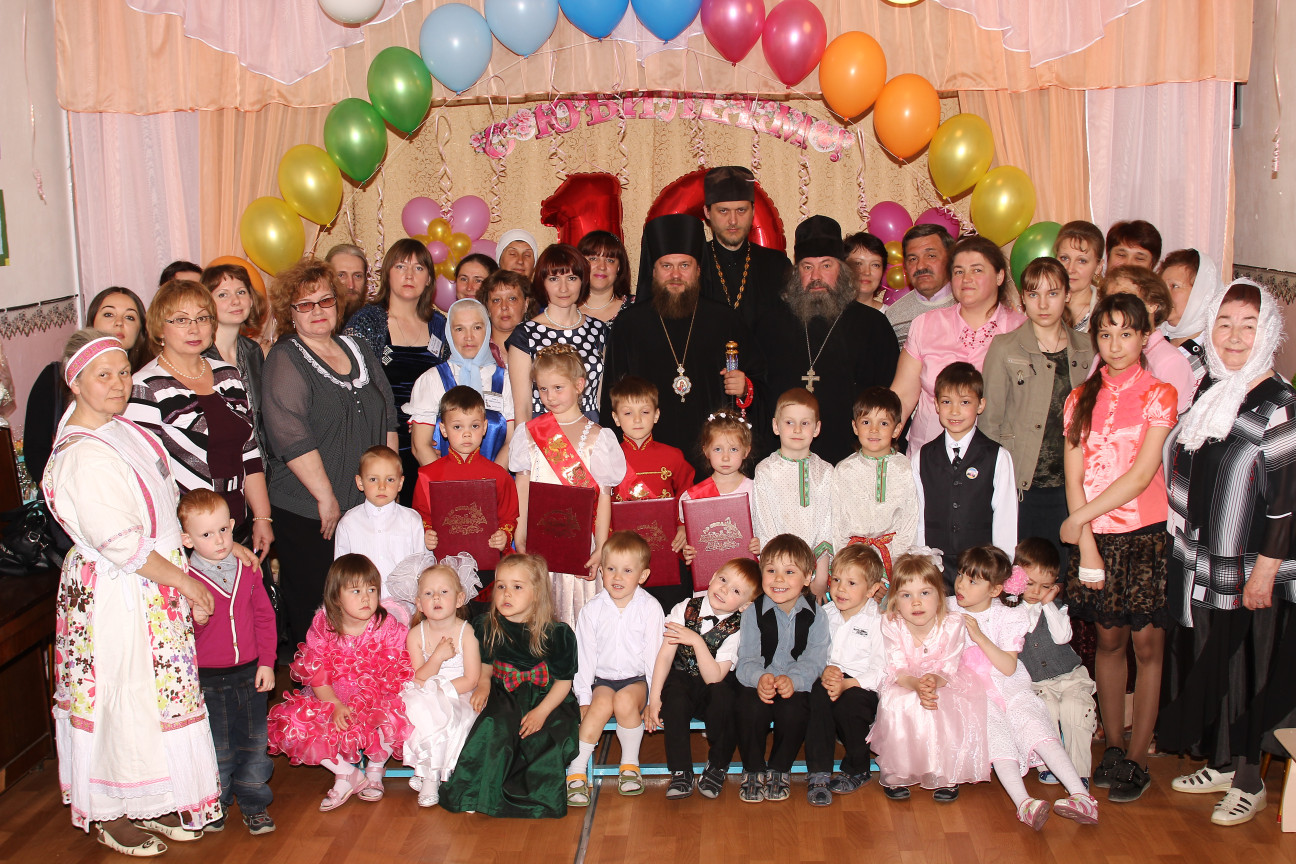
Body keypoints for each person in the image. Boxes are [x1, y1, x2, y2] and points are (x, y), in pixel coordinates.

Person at [43, 329, 235, 854]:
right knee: (119, 696)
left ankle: (152, 797)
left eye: (124, 371)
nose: (118, 383)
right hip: (118, 594)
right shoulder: (83, 455)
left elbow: (168, 506)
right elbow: (122, 544)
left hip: (151, 585)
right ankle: (111, 809)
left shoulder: (122, 429)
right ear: (75, 383)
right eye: (102, 375)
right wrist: (187, 582)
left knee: (152, 699)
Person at [1157, 279, 1296, 827]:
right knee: (1220, 664)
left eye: (1249, 326)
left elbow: (1287, 505)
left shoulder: (1280, 405)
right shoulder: (1213, 388)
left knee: (1255, 668)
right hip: (1208, 559)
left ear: (1268, 334)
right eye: (1225, 323)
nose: (1234, 336)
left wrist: (1264, 573)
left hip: (1255, 566)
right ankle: (1221, 762)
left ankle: (1249, 781)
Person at [1060, 292, 1177, 803]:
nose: (1115, 344)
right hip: (1096, 539)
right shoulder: (1078, 397)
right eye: (1105, 334)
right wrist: (1086, 542)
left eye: (1126, 333)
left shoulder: (1160, 394)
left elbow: (1141, 475)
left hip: (1144, 536)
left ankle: (1138, 756)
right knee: (1108, 644)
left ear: (1144, 337)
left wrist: (1076, 520)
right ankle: (1111, 746)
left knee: (1147, 648)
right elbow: (1074, 476)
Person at [262, 257, 399, 648]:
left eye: (325, 301)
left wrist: (388, 485)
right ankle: (315, 685)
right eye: (305, 305)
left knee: (367, 604)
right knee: (318, 611)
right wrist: (326, 497)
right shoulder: (285, 357)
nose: (317, 311)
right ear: (290, 313)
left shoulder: (358, 348)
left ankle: (363, 680)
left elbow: (388, 417)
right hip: (309, 510)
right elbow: (291, 435)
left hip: (364, 505)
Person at [601, 213, 763, 479]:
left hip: (716, 459)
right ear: (653, 271)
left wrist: (745, 386)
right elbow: (612, 397)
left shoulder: (726, 320)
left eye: (684, 265)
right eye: (666, 266)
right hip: (647, 464)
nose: (675, 275)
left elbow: (759, 378)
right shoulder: (629, 324)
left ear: (698, 270)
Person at [126, 279, 274, 561]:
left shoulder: (228, 374)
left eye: (203, 318)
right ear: (159, 328)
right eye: (181, 320)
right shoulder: (144, 386)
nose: (194, 328)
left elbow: (249, 451)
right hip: (186, 536)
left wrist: (262, 517)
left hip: (237, 522)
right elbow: (146, 477)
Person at [954, 547, 1098, 829]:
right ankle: (1024, 803)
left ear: (995, 590)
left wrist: (979, 636)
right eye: (960, 575)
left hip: (1010, 686)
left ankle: (1081, 796)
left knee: (1036, 727)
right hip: (975, 693)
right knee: (997, 739)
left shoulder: (1009, 615)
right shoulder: (949, 608)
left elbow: (1008, 667)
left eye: (972, 581)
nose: (960, 585)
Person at [439, 553, 581, 818]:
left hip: (547, 698)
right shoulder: (487, 625)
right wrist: (483, 684)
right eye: (501, 586)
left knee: (545, 737)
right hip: (504, 692)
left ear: (536, 594)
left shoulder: (557, 633)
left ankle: (537, 799)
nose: (506, 593)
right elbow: (486, 664)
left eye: (517, 587)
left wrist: (541, 712)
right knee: (494, 727)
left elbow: (564, 682)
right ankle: (478, 795)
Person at [266, 554, 412, 811]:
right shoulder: (323, 626)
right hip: (331, 697)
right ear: (335, 597)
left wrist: (368, 704)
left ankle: (375, 770)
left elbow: (395, 673)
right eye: (356, 591)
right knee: (290, 721)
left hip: (375, 698)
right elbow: (316, 670)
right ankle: (346, 773)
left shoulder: (387, 626)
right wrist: (333, 704)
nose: (366, 598)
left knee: (400, 715)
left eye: (372, 590)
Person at [753, 215, 900, 464]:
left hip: (853, 458)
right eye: (807, 267)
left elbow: (887, 401)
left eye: (826, 265)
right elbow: (758, 396)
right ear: (796, 273)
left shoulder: (873, 325)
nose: (816, 276)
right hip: (784, 459)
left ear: (842, 270)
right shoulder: (770, 324)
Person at [982, 257, 1096, 572]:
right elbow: (989, 423)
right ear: (1023, 299)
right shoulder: (1005, 348)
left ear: (1068, 295)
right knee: (1020, 573)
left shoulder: (1088, 348)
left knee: (1064, 575)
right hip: (1021, 485)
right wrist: (993, 486)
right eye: (1034, 294)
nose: (1043, 304)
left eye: (1053, 293)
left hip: (1074, 486)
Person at [179, 489, 277, 836]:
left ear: (233, 525)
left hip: (250, 673)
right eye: (207, 534)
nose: (219, 540)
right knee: (217, 749)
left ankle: (254, 804)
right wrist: (196, 622)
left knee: (254, 745)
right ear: (187, 540)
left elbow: (264, 617)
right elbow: (180, 638)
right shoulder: (185, 580)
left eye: (223, 530)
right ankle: (215, 803)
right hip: (209, 680)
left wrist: (267, 662)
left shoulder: (247, 569)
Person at [510, 345, 627, 624]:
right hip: (540, 540)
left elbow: (604, 498)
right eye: (543, 389)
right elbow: (522, 489)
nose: (550, 396)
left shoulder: (599, 438)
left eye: (558, 388)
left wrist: (601, 547)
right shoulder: (528, 434)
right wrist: (520, 533)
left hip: (581, 543)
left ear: (579, 385)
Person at [867, 551, 989, 802]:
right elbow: (896, 667)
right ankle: (899, 772)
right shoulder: (892, 623)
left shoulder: (952, 623)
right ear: (895, 599)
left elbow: (950, 665)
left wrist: (933, 681)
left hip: (943, 679)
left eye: (925, 593)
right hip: (905, 680)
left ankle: (944, 773)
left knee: (943, 703)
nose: (916, 603)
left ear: (940, 595)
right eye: (906, 595)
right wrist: (915, 684)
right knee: (897, 701)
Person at [892, 235, 1027, 449]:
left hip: (994, 453)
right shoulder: (926, 324)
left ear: (999, 276)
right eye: (958, 271)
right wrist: (882, 436)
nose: (966, 279)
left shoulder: (1021, 329)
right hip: (928, 453)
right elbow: (903, 395)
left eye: (977, 270)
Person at [344, 238, 451, 499]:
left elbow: (452, 386)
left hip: (429, 444)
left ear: (429, 278)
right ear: (387, 274)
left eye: (418, 268)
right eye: (401, 266)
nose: (409, 275)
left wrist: (440, 428)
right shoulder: (366, 321)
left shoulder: (440, 325)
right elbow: (351, 390)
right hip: (379, 442)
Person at [647, 558, 761, 800]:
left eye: (736, 591)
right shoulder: (685, 607)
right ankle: (681, 771)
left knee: (727, 698)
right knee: (675, 696)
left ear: (745, 605)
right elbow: (665, 656)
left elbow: (715, 677)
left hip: (714, 685)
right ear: (712, 577)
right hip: (683, 678)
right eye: (723, 580)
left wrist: (697, 642)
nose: (724, 590)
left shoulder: (739, 627)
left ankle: (717, 765)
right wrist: (654, 698)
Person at [565, 532, 665, 805]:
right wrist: (583, 698)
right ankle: (576, 771)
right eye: (611, 569)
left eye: (627, 571)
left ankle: (630, 765)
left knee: (624, 701)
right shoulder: (592, 610)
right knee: (598, 707)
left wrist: (654, 700)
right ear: (601, 571)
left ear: (643, 575)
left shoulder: (650, 608)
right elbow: (584, 657)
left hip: (638, 681)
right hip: (603, 681)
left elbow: (655, 657)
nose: (617, 577)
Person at [734, 535, 830, 804]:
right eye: (771, 571)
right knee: (747, 706)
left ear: (808, 577)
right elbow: (746, 659)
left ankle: (779, 768)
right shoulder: (752, 613)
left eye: (789, 572)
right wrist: (760, 678)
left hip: (795, 682)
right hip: (760, 680)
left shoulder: (817, 615)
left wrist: (793, 680)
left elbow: (815, 660)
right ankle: (753, 768)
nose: (778, 579)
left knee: (795, 709)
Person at [636, 166, 789, 331]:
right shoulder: (689, 267)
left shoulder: (777, 264)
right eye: (723, 211)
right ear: (707, 212)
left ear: (753, 211)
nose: (733, 221)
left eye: (741, 210)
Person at [411, 386, 520, 614]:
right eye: (457, 427)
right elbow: (420, 515)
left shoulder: (498, 475)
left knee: (484, 622)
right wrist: (427, 533)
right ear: (443, 429)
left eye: (474, 426)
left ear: (485, 427)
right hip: (444, 569)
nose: (467, 434)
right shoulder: (428, 475)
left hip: (487, 568)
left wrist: (504, 535)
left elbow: (509, 515)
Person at [25, 286, 151, 484]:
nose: (119, 323)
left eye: (129, 317)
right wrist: (55, 489)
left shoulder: (148, 380)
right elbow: (35, 448)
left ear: (141, 330)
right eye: (108, 314)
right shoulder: (56, 377)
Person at [912, 362, 1017, 590]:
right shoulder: (922, 457)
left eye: (965, 402)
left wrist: (1001, 569)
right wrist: (921, 560)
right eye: (946, 402)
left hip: (980, 568)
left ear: (981, 405)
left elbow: (1005, 518)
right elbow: (918, 515)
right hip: (936, 567)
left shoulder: (998, 457)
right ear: (936, 405)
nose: (955, 411)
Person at [804, 545, 887, 806]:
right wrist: (824, 669)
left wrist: (848, 684)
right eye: (837, 579)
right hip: (829, 679)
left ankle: (857, 767)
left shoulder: (878, 621)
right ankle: (819, 771)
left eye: (851, 583)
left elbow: (882, 669)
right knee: (816, 696)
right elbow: (811, 652)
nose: (840, 589)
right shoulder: (824, 614)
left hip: (861, 686)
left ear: (872, 589)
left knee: (850, 706)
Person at [1014, 538, 1097, 786]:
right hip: (1037, 684)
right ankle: (1051, 764)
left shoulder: (1057, 607)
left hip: (1069, 676)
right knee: (1044, 712)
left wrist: (1048, 605)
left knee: (1075, 710)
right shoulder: (1009, 611)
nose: (1036, 592)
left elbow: (1062, 637)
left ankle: (1078, 772)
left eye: (1045, 586)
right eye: (1029, 583)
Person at [400, 563, 482, 808]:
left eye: (444, 592)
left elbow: (471, 678)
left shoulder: (467, 632)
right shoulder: (415, 635)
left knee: (448, 715)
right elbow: (419, 677)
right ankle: (427, 769)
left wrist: (440, 690)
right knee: (419, 708)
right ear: (419, 603)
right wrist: (436, 657)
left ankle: (430, 777)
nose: (436, 597)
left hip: (459, 692)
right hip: (425, 691)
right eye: (428, 593)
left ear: (459, 599)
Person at [607, 376, 694, 607]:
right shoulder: (608, 458)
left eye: (644, 412)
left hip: (667, 553)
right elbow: (600, 505)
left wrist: (684, 526)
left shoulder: (673, 456)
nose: (637, 420)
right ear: (616, 418)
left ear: (656, 415)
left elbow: (688, 493)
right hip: (624, 558)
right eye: (628, 413)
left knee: (671, 613)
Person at [507, 244, 610, 423]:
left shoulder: (599, 330)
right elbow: (522, 407)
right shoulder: (525, 334)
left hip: (590, 426)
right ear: (542, 282)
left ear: (583, 281)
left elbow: (602, 399)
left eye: (572, 278)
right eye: (554, 279)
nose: (564, 288)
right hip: (543, 428)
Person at [406, 298, 514, 466]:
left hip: (496, 479)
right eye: (459, 329)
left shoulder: (506, 381)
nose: (469, 337)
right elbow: (420, 447)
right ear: (449, 333)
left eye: (477, 327)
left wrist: (491, 479)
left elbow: (512, 442)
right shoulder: (432, 379)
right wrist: (448, 481)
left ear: (487, 329)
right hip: (443, 479)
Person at [751, 388, 833, 596]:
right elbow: (764, 527)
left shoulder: (826, 471)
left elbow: (828, 524)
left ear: (817, 428)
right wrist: (780, 572)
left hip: (815, 574)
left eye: (805, 423)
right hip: (777, 576)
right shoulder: (765, 470)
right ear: (775, 426)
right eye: (789, 422)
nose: (797, 430)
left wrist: (820, 576)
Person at [830, 387, 918, 576]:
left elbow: (909, 522)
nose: (874, 430)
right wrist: (847, 565)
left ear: (897, 429)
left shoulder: (905, 468)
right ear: (855, 427)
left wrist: (894, 567)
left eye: (883, 423)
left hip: (893, 561)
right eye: (866, 422)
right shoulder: (844, 470)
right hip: (852, 561)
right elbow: (837, 526)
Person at [333, 445, 430, 597]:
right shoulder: (348, 523)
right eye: (373, 479)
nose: (382, 486)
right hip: (361, 604)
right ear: (360, 482)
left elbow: (423, 567)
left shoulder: (412, 520)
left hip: (404, 604)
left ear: (400, 483)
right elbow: (341, 573)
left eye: (390, 479)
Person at [1100, 265, 1196, 412]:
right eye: (1110, 301)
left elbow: (1171, 420)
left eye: (1126, 298)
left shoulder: (1171, 362)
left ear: (1152, 304)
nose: (1116, 308)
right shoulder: (1104, 351)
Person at [202, 263, 269, 460]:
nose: (235, 301)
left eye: (241, 292)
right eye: (223, 294)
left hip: (260, 462)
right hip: (216, 462)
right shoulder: (199, 355)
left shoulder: (253, 351)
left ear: (251, 299)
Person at [679, 412, 761, 566]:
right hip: (709, 575)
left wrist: (760, 543)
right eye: (718, 449)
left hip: (746, 572)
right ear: (706, 451)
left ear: (746, 451)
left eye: (733, 449)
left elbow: (765, 531)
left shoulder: (756, 491)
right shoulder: (692, 497)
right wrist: (688, 551)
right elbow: (693, 542)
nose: (725, 457)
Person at [885, 224, 956, 347]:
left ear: (950, 260)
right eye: (913, 259)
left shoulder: (968, 305)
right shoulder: (893, 317)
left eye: (931, 256)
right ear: (905, 267)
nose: (920, 266)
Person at [1158, 248, 1222, 382]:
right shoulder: (1152, 335)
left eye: (1174, 286)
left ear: (1201, 294)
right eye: (1162, 286)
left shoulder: (1214, 357)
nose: (1163, 294)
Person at [1053, 221, 1104, 331]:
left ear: (1098, 267)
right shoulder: (1040, 304)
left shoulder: (1107, 311)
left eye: (1082, 261)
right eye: (1064, 258)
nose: (1070, 269)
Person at [477, 269, 532, 367]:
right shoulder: (475, 349)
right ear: (487, 307)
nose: (504, 306)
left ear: (526, 304)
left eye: (512, 299)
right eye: (496, 300)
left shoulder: (540, 348)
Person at [577, 230, 632, 323]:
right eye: (593, 259)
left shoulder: (637, 309)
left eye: (610, 260)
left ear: (619, 267)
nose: (602, 267)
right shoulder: (565, 309)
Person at [844, 231, 888, 309]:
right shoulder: (827, 314)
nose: (867, 272)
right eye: (858, 263)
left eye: (875, 265)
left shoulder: (892, 315)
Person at [326, 243, 369, 320]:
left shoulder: (376, 321)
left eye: (357, 276)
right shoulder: (314, 320)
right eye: (341, 275)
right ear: (327, 278)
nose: (351, 286)